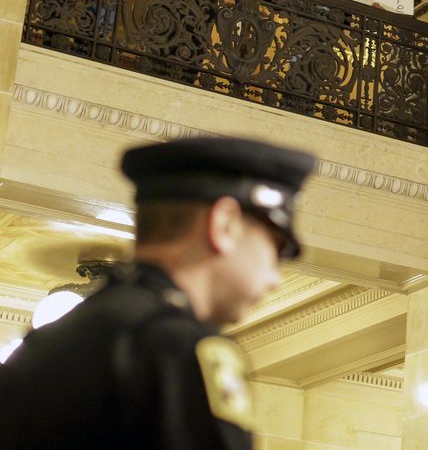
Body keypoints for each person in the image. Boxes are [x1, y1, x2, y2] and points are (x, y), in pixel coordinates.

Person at [0, 136, 315, 449]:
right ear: (225, 224)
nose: (275, 278)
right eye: (278, 249)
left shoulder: (44, 344)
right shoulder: (177, 346)